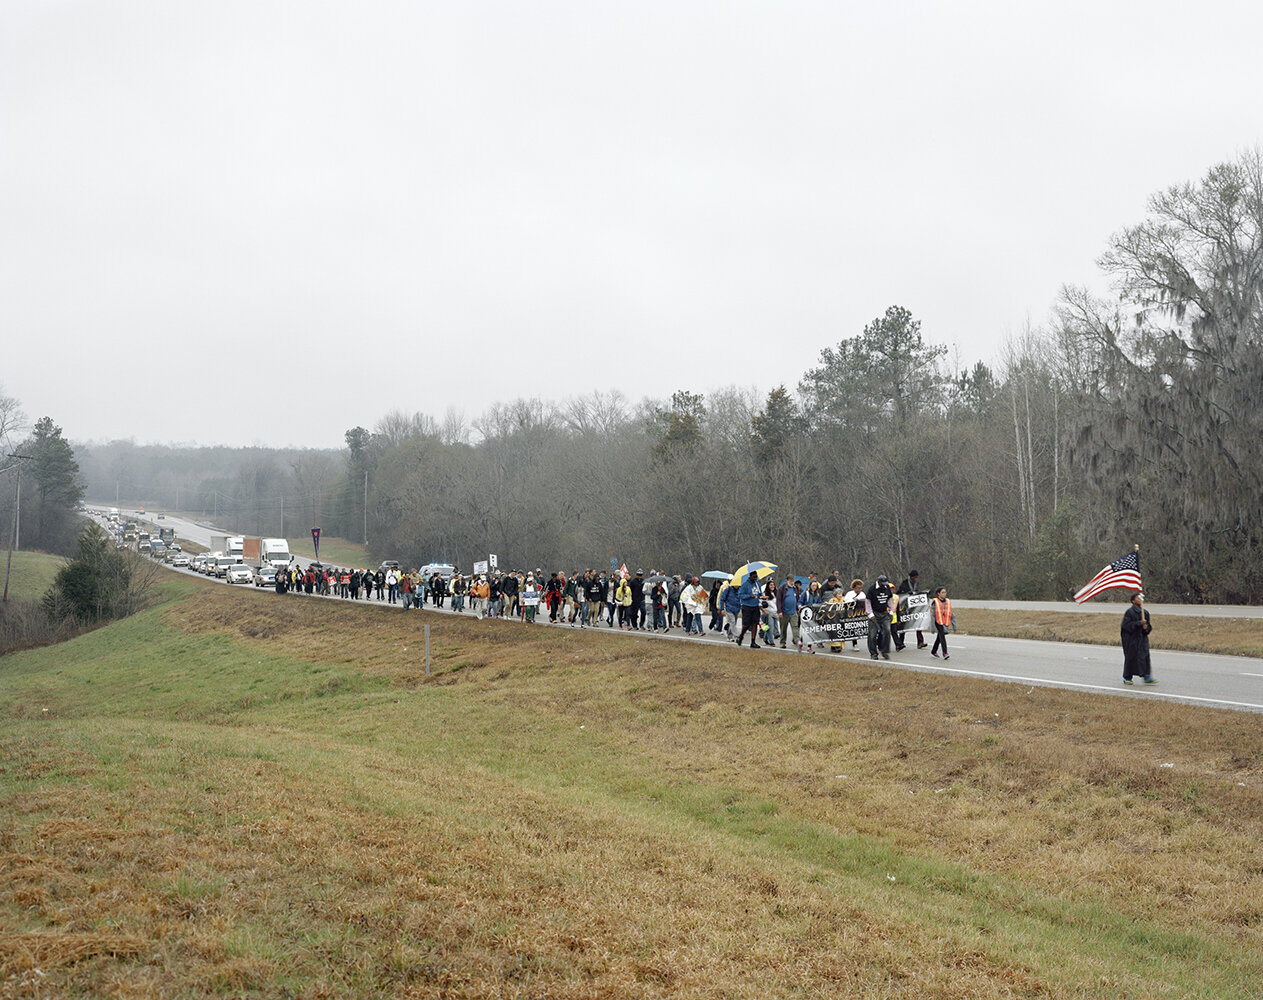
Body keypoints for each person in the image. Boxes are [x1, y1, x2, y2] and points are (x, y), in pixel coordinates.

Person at [1121, 591, 1155, 684]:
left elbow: (1148, 627)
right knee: (1131, 658)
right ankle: (1127, 677)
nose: (1140, 600)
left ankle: (1146, 676)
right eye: (1137, 598)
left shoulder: (1145, 612)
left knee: (1145, 657)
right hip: (1132, 640)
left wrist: (1146, 627)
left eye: (1141, 598)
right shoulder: (1130, 612)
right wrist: (1139, 623)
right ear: (1133, 601)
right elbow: (1126, 626)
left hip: (1142, 640)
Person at [866, 574, 894, 660]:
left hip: (884, 613)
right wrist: (870, 614)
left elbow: (890, 600)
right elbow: (868, 602)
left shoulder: (887, 588)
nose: (884, 585)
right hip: (874, 613)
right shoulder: (872, 589)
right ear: (879, 582)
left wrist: (891, 612)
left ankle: (885, 651)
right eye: (883, 583)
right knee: (872, 634)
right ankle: (873, 653)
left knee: (887, 631)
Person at [895, 570, 926, 649]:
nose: (916, 578)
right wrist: (907, 594)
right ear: (911, 577)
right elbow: (899, 593)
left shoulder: (917, 583)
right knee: (904, 626)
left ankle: (920, 642)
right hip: (906, 608)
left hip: (915, 607)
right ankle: (900, 643)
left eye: (916, 577)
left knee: (918, 624)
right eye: (914, 577)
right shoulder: (904, 583)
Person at [734, 572, 763, 648]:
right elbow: (740, 595)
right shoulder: (745, 584)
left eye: (756, 577)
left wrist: (763, 597)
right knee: (746, 624)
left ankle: (753, 642)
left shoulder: (758, 584)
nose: (755, 578)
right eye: (753, 577)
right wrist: (749, 596)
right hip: (747, 606)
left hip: (755, 606)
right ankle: (741, 636)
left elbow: (760, 594)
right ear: (750, 576)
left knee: (755, 624)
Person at [776, 574, 802, 650]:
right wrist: (779, 611)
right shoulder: (782, 588)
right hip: (784, 612)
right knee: (783, 628)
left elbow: (797, 599)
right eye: (791, 580)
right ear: (787, 581)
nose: (792, 582)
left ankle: (797, 641)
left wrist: (797, 609)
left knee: (795, 627)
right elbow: (778, 600)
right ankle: (782, 642)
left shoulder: (795, 588)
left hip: (793, 612)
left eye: (793, 580)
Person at [930, 586, 952, 659]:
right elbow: (933, 614)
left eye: (945, 592)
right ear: (938, 594)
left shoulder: (947, 601)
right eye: (942, 592)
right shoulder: (935, 602)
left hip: (944, 620)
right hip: (938, 621)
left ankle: (933, 651)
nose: (944, 594)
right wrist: (932, 625)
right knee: (942, 635)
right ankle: (945, 653)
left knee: (939, 637)